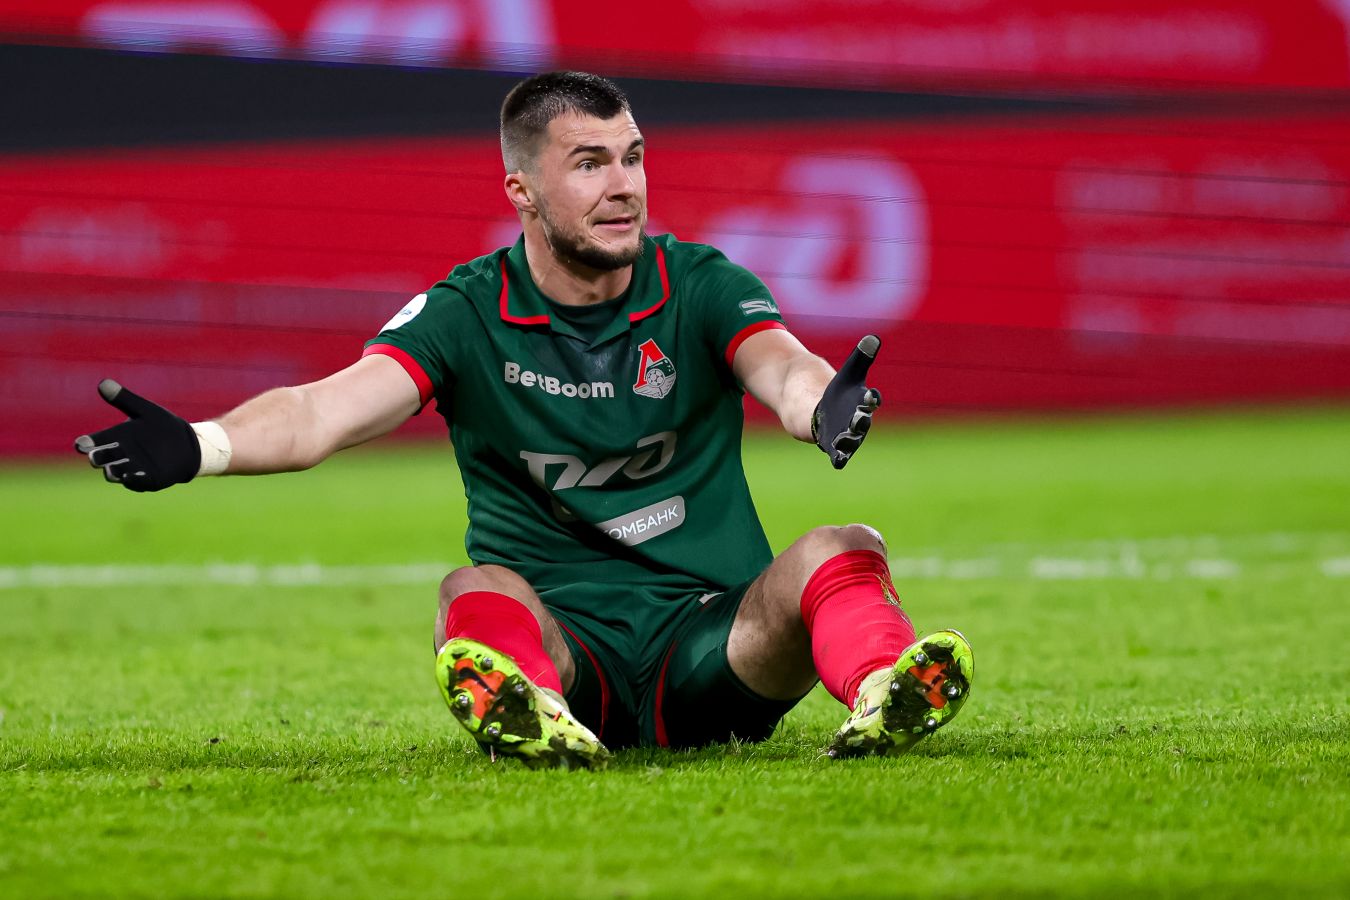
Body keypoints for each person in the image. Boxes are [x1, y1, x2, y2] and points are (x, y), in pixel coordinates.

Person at [74, 71, 973, 770]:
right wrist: (202, 445)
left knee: (843, 545)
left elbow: (778, 364)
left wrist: (820, 403)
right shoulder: (465, 314)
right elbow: (320, 412)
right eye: (589, 164)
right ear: (522, 190)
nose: (624, 186)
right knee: (471, 591)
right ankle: (530, 710)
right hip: (564, 648)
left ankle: (888, 687)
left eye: (632, 157)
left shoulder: (700, 282)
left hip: (716, 643)